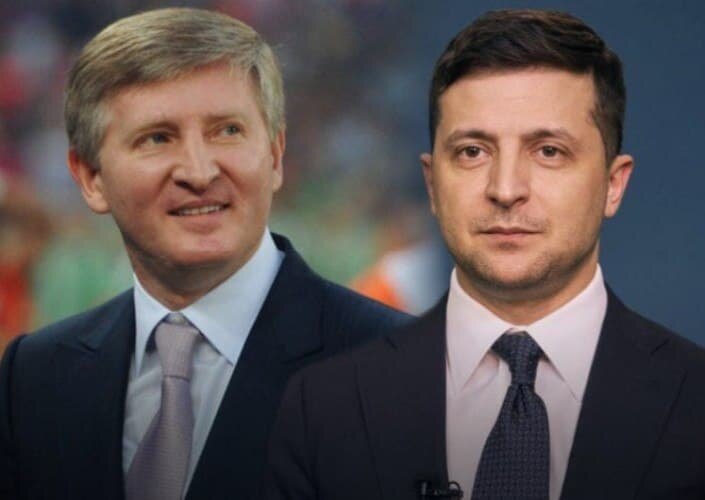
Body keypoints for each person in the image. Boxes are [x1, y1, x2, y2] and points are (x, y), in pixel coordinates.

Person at [264, 9, 705, 500]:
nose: (506, 189)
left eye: (549, 151)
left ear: (613, 184)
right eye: (473, 151)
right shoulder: (324, 407)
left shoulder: (695, 402)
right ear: (432, 184)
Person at [0, 8, 409, 500]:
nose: (198, 171)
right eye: (157, 138)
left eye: (227, 131)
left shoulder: (403, 372)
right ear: (90, 178)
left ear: (275, 155)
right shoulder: (33, 376)